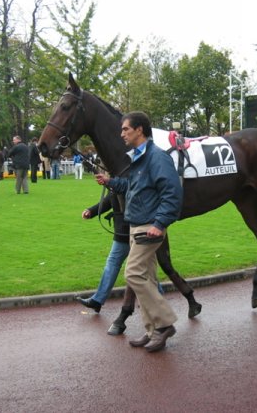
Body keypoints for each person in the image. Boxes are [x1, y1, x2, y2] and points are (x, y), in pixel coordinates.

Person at [95, 112, 183, 353]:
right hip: (136, 225)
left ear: (140, 130)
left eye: (125, 129)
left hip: (149, 227)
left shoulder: (157, 158)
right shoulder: (139, 158)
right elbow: (132, 187)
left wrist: (160, 223)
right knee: (148, 279)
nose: (122, 133)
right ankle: (152, 330)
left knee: (133, 273)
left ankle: (164, 324)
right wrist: (110, 182)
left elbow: (172, 193)